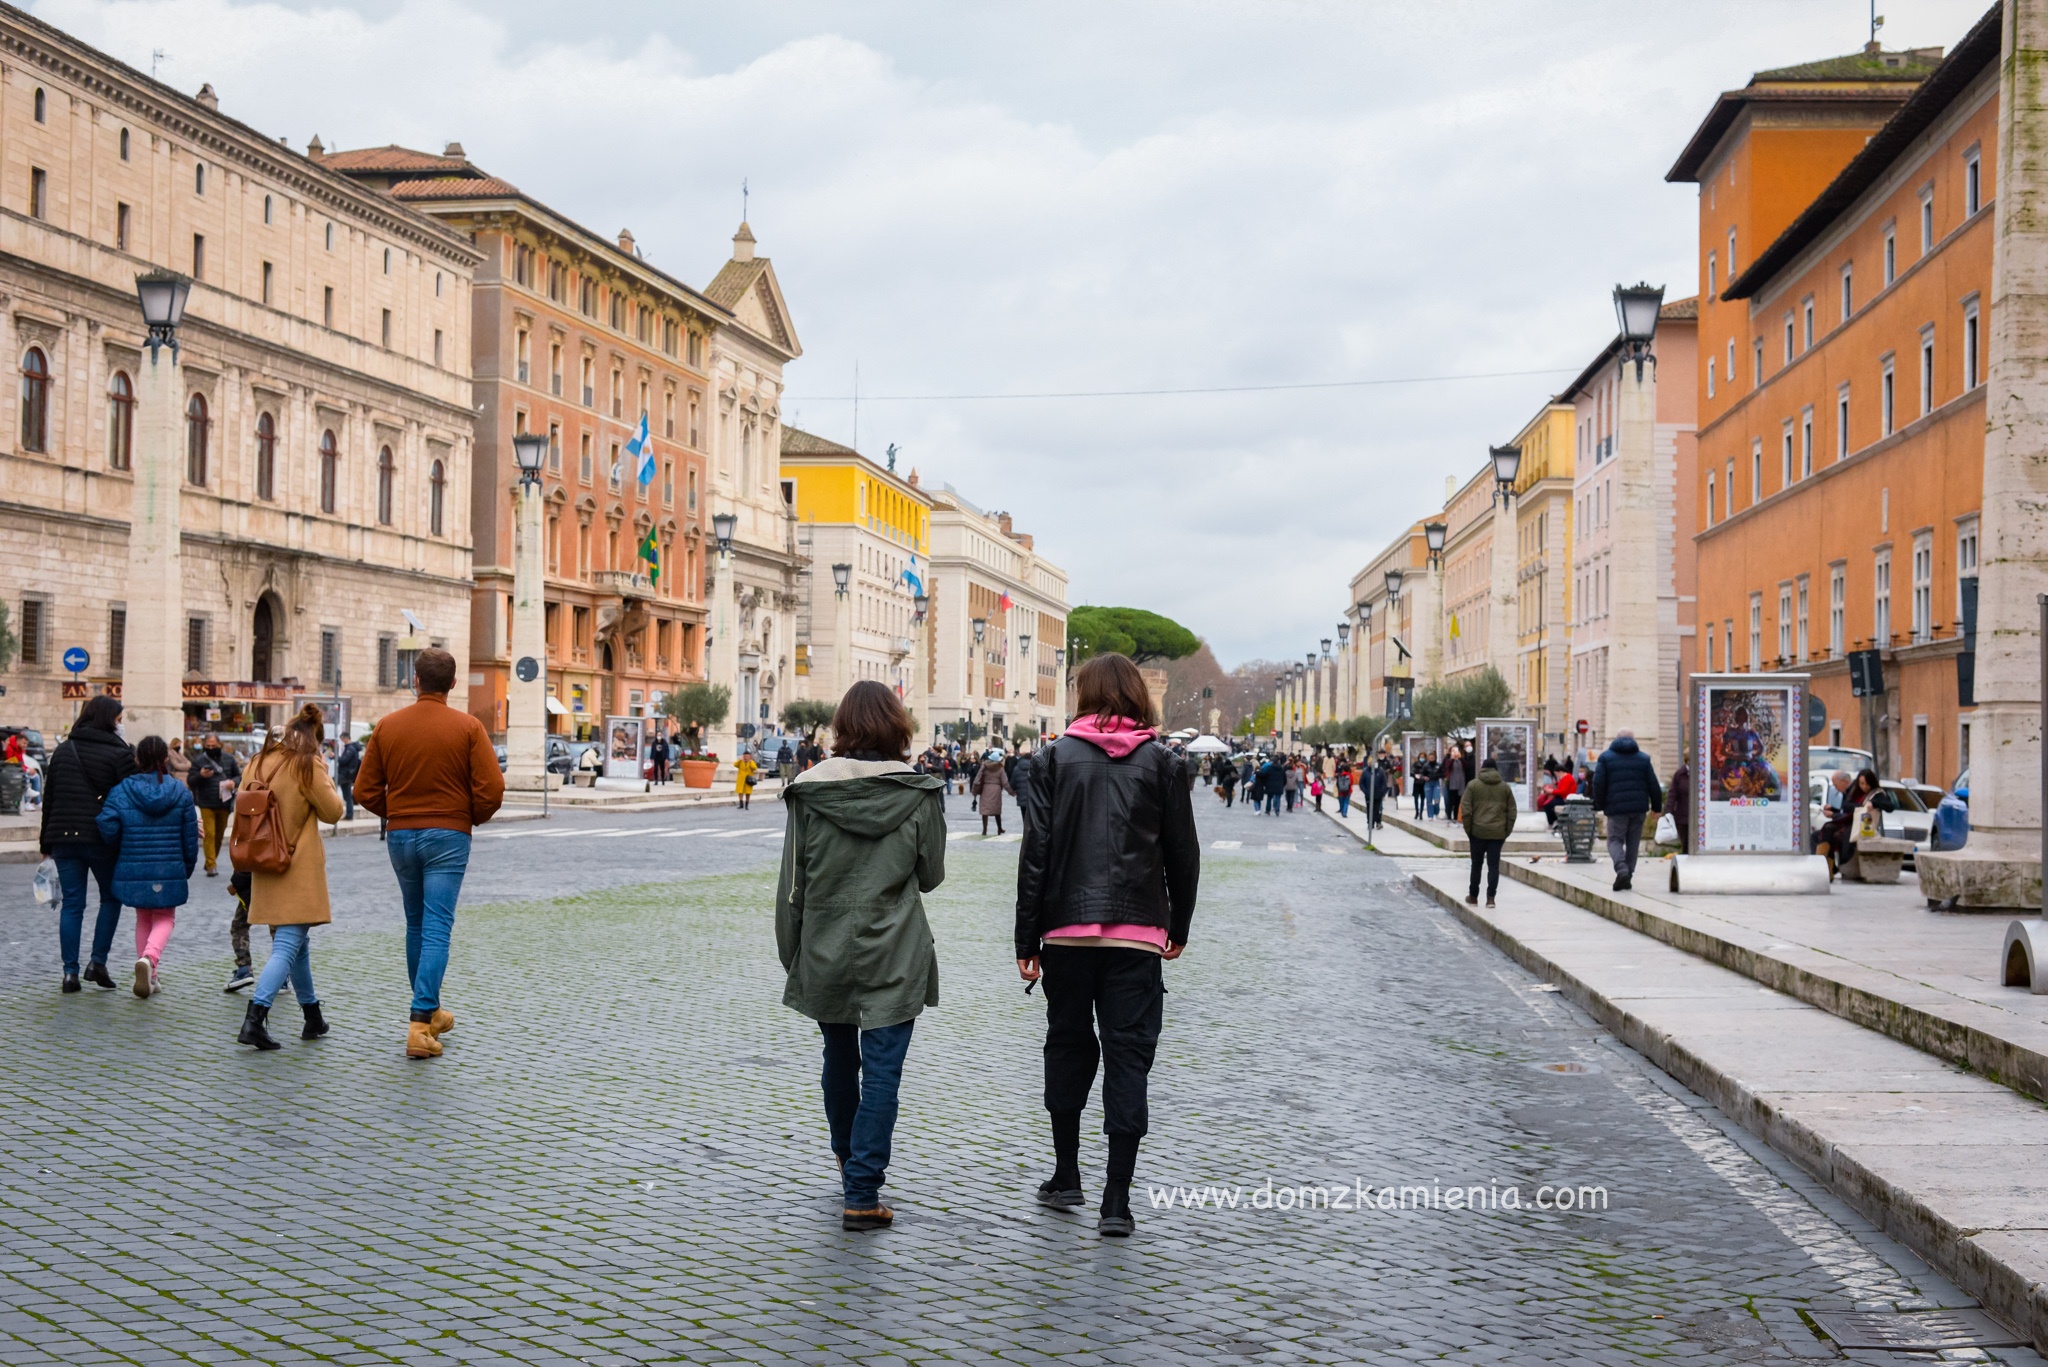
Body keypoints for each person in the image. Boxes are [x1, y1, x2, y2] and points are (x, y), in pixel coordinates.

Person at [1016, 653, 1199, 1238]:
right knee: (1129, 1056)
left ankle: (1066, 1173)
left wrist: (1027, 936)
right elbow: (1183, 855)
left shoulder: (1051, 759)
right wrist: (1179, 924)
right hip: (1138, 931)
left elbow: (1036, 854)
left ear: (1084, 694)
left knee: (1067, 1046)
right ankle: (1116, 1200)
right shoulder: (1164, 763)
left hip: (1066, 931)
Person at [776, 681, 946, 1232]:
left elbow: (791, 886)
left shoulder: (808, 791)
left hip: (826, 945)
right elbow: (931, 875)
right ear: (898, 726)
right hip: (893, 949)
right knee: (883, 1072)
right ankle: (863, 1190)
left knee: (838, 1062)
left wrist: (794, 956)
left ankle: (850, 1165)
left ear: (842, 727)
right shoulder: (918, 794)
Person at [353, 647, 506, 1059]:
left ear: (414, 680)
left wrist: (398, 811)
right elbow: (492, 790)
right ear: (453, 685)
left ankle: (432, 1012)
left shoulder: (387, 727)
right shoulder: (469, 728)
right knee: (437, 926)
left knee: (416, 924)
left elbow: (363, 791)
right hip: (448, 836)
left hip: (401, 835)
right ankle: (420, 1024)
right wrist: (465, 817)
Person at [236, 703, 346, 1051]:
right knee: (287, 943)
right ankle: (255, 1017)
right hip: (296, 865)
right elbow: (333, 812)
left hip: (264, 861)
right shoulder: (306, 764)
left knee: (298, 943)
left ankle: (312, 1016)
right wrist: (324, 775)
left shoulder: (257, 762)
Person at [38, 694, 137, 992]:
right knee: (111, 898)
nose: (121, 726)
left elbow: (49, 798)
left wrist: (46, 842)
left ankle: (70, 973)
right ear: (109, 719)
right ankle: (98, 963)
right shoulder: (120, 754)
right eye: (119, 720)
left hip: (63, 837)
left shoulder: (63, 750)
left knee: (72, 905)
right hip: (101, 839)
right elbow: (129, 799)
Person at [94, 735, 199, 998]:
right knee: (165, 917)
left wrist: (122, 842)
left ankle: (150, 974)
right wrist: (187, 866)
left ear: (137, 759)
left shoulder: (122, 790)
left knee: (143, 916)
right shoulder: (180, 792)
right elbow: (189, 836)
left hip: (134, 863)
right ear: (165, 759)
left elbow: (106, 823)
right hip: (169, 865)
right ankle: (150, 960)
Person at [1589, 729, 1663, 892]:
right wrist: (1657, 807)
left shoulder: (1606, 758)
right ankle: (1628, 875)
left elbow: (1598, 783)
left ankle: (1621, 868)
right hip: (1638, 809)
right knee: (1633, 843)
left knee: (1614, 840)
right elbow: (1654, 785)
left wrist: (1600, 804)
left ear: (1616, 739)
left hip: (1616, 809)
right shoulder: (1643, 759)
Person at [1460, 756, 1517, 908]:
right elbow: (1512, 811)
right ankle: (1491, 898)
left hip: (1477, 832)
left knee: (1476, 865)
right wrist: (1506, 831)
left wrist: (1469, 830)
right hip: (1497, 833)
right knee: (1493, 866)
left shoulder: (1473, 786)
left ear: (1482, 768)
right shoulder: (1505, 787)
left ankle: (1473, 896)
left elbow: (1465, 810)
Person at [187, 734, 241, 877]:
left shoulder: (229, 759)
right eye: (208, 746)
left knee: (219, 834)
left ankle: (210, 861)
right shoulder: (199, 761)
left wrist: (233, 783)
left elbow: (239, 775)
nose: (211, 748)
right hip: (206, 802)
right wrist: (201, 775)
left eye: (213, 746)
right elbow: (191, 780)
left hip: (224, 802)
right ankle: (211, 865)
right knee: (209, 833)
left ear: (219, 745)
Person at [976, 748, 1013, 836]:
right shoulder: (1000, 768)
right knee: (997, 810)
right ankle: (999, 828)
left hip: (985, 788)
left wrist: (975, 790)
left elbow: (978, 777)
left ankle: (984, 830)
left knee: (984, 811)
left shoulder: (984, 766)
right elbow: (1005, 782)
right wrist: (1011, 791)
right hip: (996, 789)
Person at [1665, 760, 1692, 855]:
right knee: (1686, 845)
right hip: (1683, 817)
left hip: (1699, 817)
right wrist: (1668, 811)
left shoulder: (1703, 772)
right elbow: (1672, 794)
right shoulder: (1680, 774)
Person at [334, 735, 364, 822]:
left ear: (346, 738)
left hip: (345, 774)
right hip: (348, 775)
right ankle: (349, 814)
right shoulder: (351, 748)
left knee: (330, 784)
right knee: (347, 796)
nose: (342, 741)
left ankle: (345, 813)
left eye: (342, 739)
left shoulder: (350, 749)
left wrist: (335, 756)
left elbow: (344, 760)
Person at [1444, 744, 1469, 823]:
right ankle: (1449, 816)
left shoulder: (1461, 760)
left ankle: (1455, 817)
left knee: (1457, 801)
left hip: (1460, 783)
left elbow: (1466, 766)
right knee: (1451, 801)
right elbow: (1447, 767)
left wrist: (1460, 758)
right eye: (1453, 751)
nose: (1455, 753)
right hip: (1452, 783)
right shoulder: (1449, 760)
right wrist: (1452, 759)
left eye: (1456, 751)